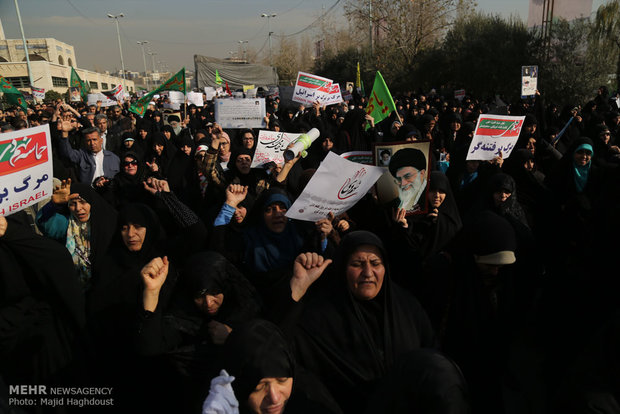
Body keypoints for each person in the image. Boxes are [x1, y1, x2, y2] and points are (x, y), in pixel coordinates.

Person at [288, 231, 437, 413]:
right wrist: (297, 288)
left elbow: (431, 362)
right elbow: (278, 347)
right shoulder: (320, 318)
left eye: (375, 263)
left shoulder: (408, 309)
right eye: (357, 264)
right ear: (342, 269)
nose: (368, 273)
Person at [211, 319, 343, 414]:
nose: (274, 398)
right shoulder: (216, 407)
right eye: (259, 387)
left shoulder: (313, 400)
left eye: (282, 381)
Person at [35, 180, 118, 290]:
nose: (78, 208)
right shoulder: (68, 223)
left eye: (82, 202)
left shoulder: (106, 221)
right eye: (73, 204)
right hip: (73, 287)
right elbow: (46, 224)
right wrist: (53, 205)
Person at [388, 147, 428, 213]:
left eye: (407, 176)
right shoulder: (394, 204)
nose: (403, 183)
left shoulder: (433, 198)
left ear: (422, 173)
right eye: (398, 179)